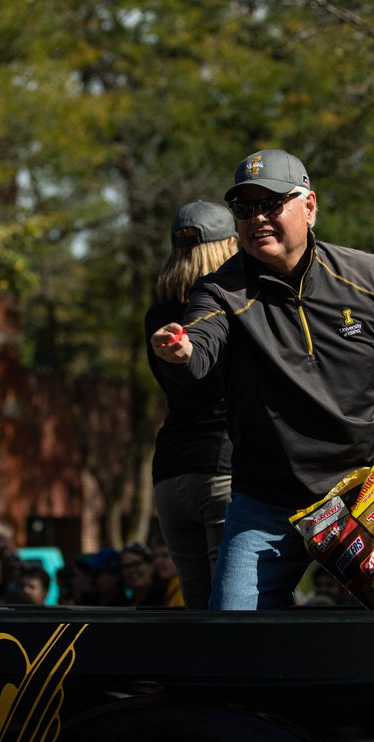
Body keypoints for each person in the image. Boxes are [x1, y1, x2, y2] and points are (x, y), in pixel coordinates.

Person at [150, 149, 374, 610]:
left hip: (367, 491)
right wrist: (180, 353)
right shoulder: (220, 290)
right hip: (266, 503)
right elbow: (199, 346)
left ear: (310, 206)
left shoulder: (370, 275)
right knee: (232, 632)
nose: (257, 217)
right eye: (244, 208)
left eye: (271, 203)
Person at [144, 200, 237, 611]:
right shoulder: (231, 306)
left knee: (197, 610)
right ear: (227, 246)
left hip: (170, 474)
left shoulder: (158, 315)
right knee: (234, 609)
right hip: (221, 468)